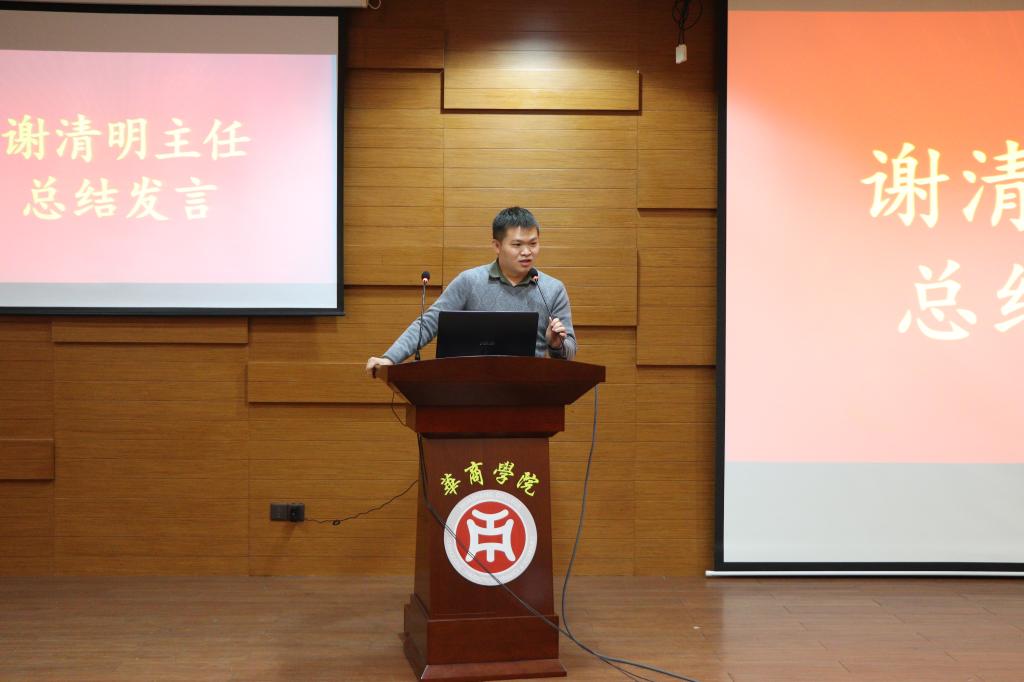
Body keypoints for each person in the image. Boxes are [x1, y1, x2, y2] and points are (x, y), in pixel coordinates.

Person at [365, 207, 576, 376]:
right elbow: (428, 324)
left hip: (529, 390)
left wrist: (555, 344)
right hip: (468, 387)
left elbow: (570, 350)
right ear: (497, 246)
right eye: (517, 244)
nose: (527, 252)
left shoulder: (552, 289)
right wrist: (390, 358)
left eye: (533, 244)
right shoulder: (470, 281)